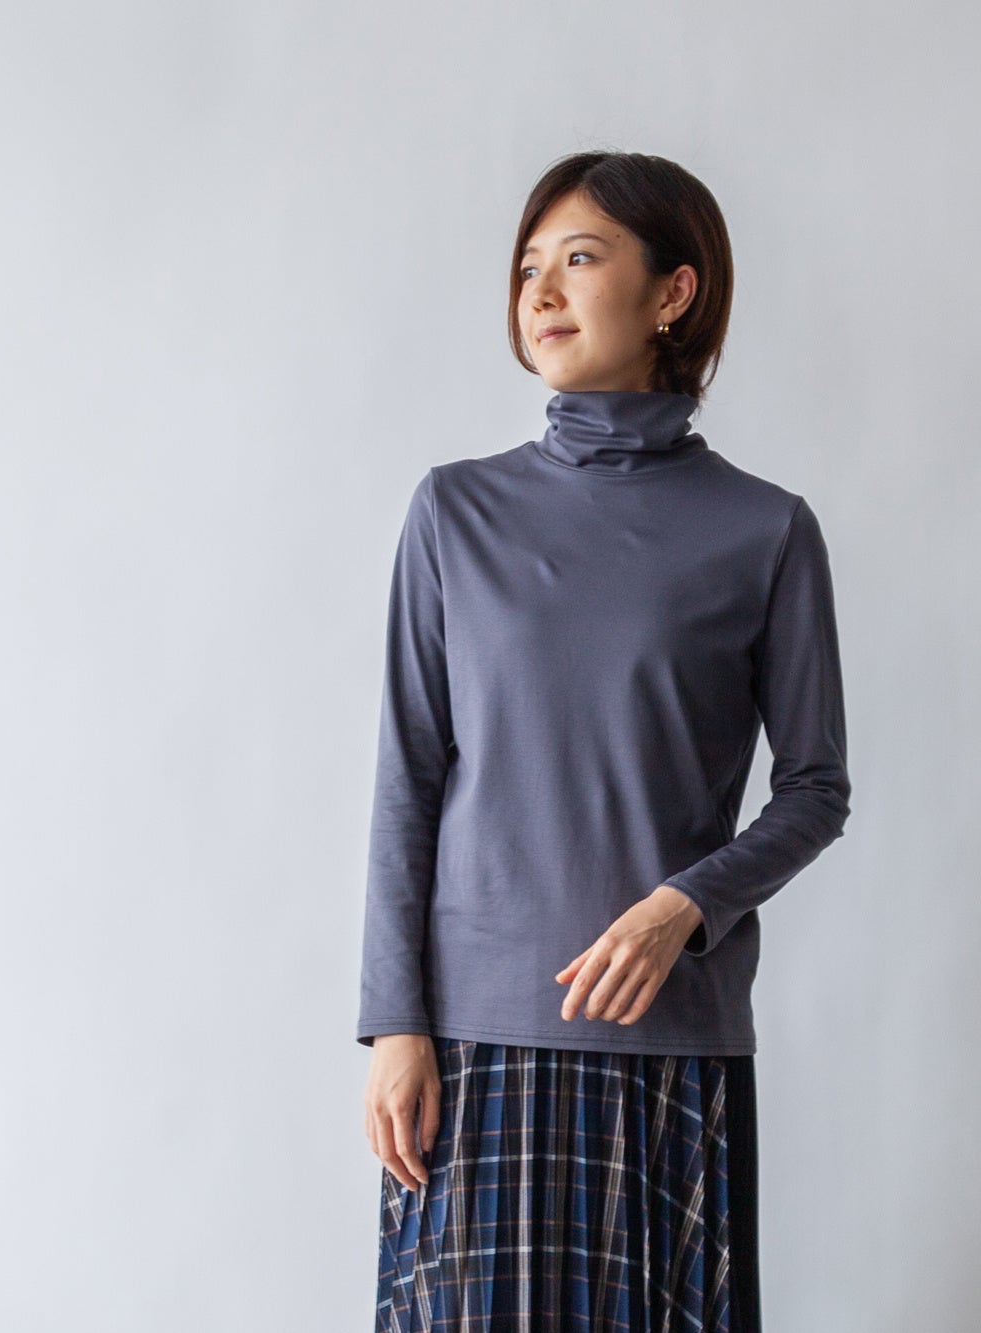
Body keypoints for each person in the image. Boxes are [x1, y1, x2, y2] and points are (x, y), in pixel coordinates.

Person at [356, 150, 851, 1332]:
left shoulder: (765, 531)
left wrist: (684, 905)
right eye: (528, 264)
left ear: (673, 292)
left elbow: (815, 788)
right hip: (472, 1042)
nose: (540, 291)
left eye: (579, 258)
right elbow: (409, 777)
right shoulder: (454, 513)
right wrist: (395, 1024)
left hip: (667, 1038)